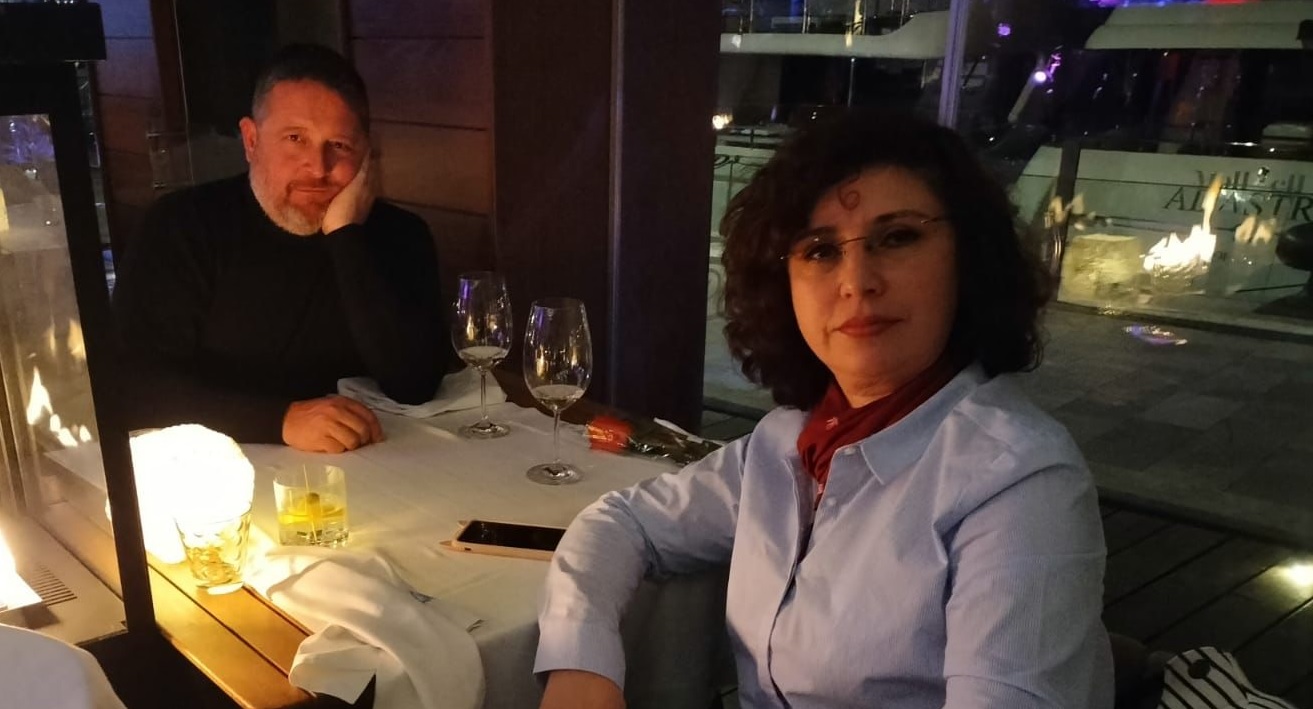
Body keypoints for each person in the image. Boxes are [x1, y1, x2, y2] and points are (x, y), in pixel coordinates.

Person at [534, 112, 1113, 708]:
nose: (856, 281)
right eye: (820, 250)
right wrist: (580, 664)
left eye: (898, 237)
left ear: (969, 257)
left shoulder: (1019, 482)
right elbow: (621, 523)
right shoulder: (789, 442)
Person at [113, 44, 449, 453]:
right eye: (295, 139)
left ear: (365, 151)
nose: (318, 167)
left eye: (339, 145)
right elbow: (135, 387)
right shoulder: (181, 227)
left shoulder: (401, 235)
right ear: (251, 140)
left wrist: (345, 237)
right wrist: (280, 420)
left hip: (374, 458)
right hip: (222, 464)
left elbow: (415, 385)